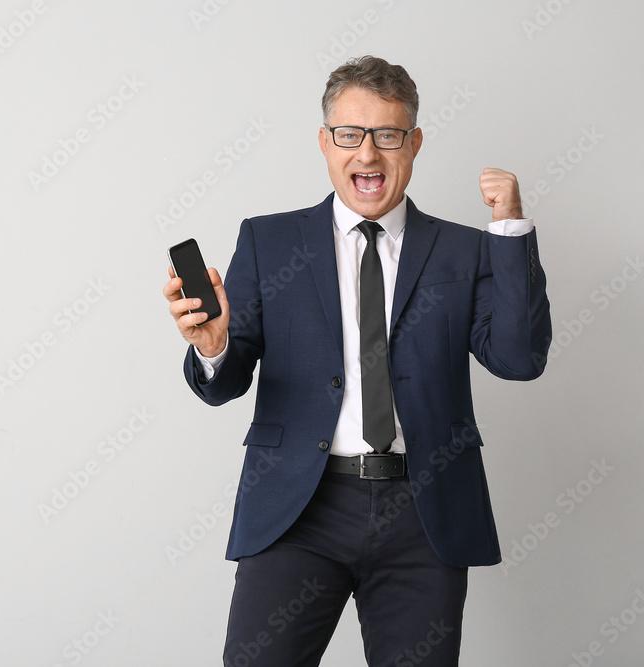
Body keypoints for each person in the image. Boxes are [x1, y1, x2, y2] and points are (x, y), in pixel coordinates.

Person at [162, 55, 551, 666]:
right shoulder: (270, 241)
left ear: (414, 143)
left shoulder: (463, 250)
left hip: (423, 515)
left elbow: (520, 359)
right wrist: (212, 349)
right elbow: (225, 382)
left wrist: (509, 234)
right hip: (298, 510)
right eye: (350, 135)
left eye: (388, 136)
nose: (367, 155)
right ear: (325, 142)